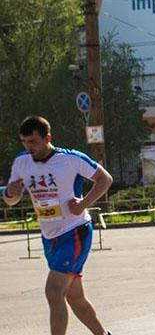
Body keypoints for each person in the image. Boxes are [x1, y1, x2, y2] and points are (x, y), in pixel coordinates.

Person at [2, 115, 113, 335]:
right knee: (74, 297)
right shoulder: (21, 162)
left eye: (32, 141)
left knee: (53, 292)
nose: (28, 147)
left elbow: (105, 179)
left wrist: (83, 204)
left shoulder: (70, 159)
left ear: (47, 138)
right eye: (23, 142)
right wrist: (10, 193)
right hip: (49, 235)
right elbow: (11, 198)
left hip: (75, 232)